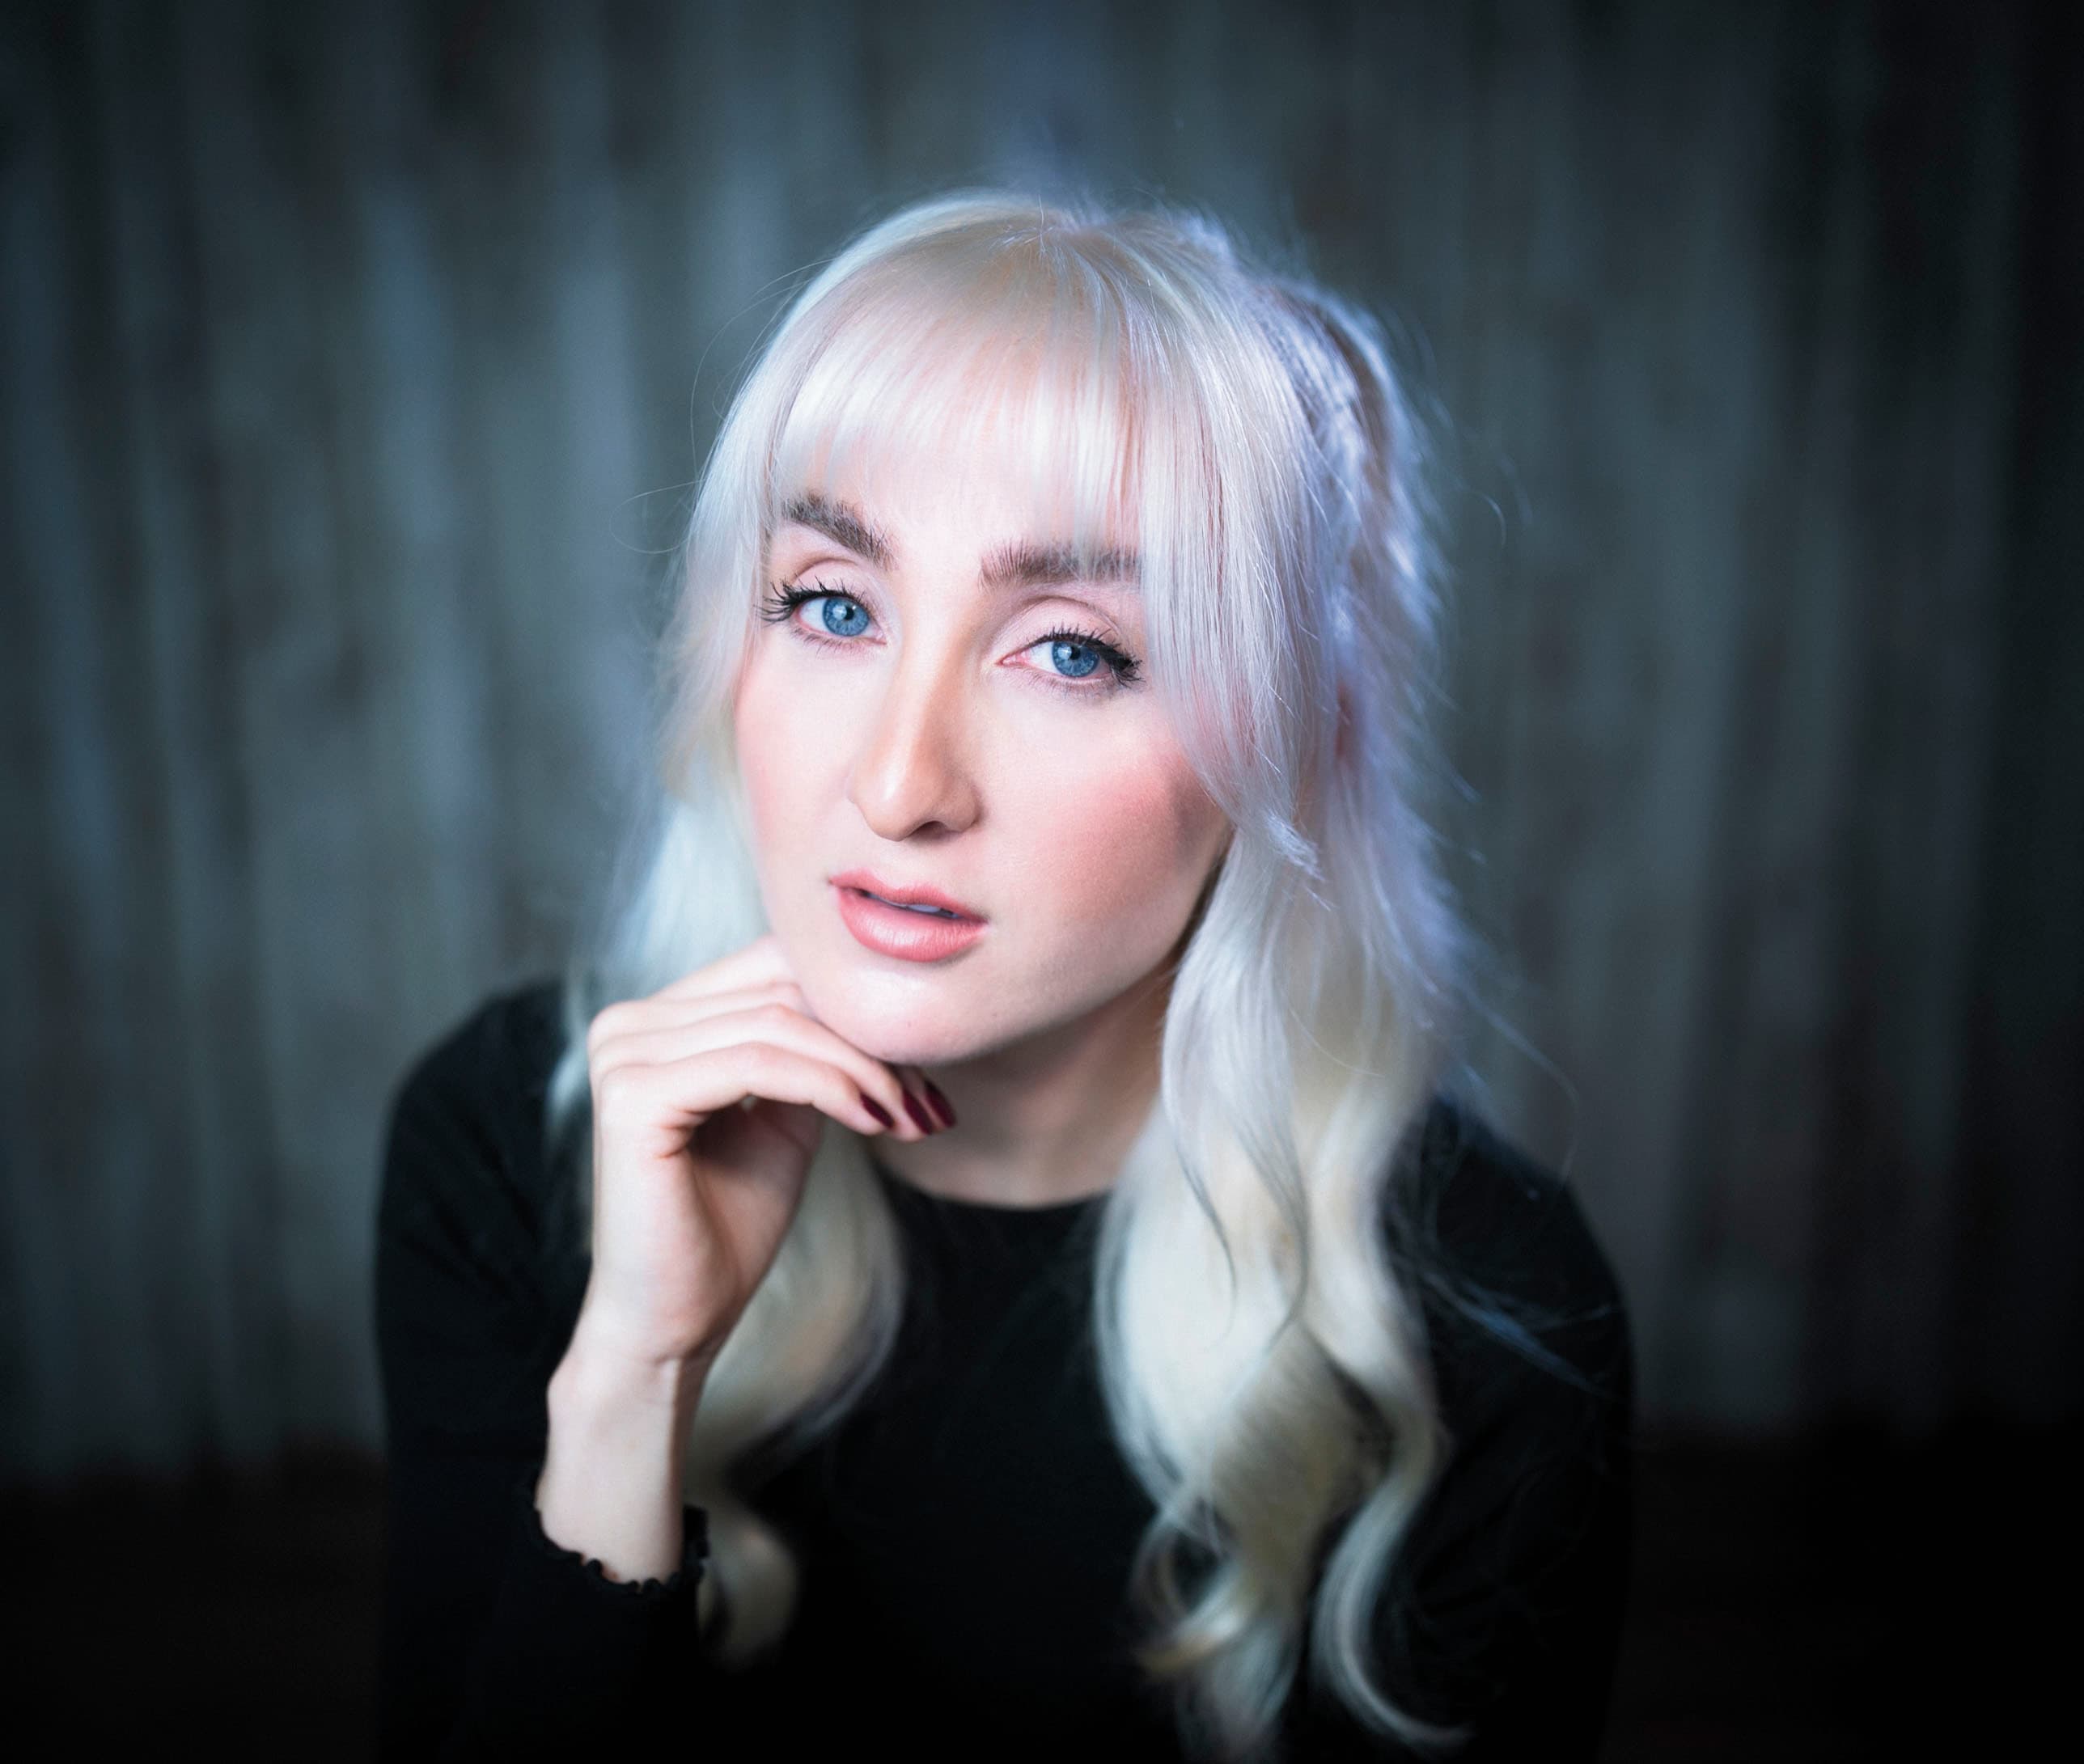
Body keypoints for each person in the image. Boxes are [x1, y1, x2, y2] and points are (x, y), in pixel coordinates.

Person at [375, 188, 1633, 1763]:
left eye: (1072, 649)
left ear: (1287, 743)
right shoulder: (512, 1138)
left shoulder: (1486, 1314)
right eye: (834, 605)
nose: (900, 781)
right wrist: (634, 1376)